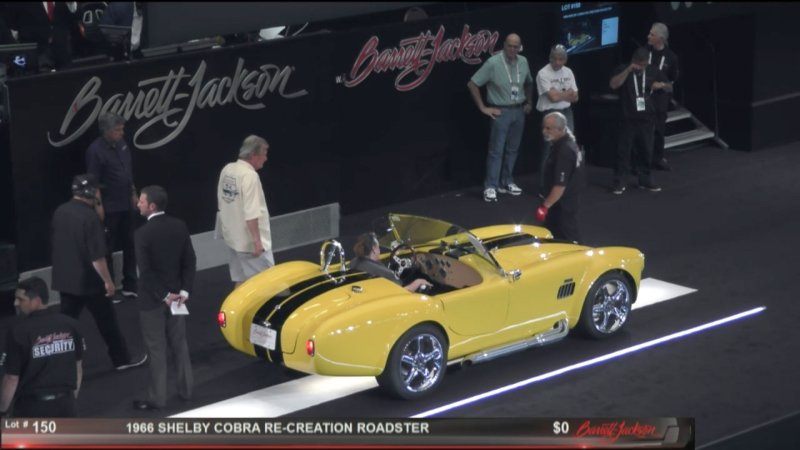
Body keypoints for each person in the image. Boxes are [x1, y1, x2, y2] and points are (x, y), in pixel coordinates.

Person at [51, 174, 147, 371]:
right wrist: (108, 282)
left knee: (65, 324)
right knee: (107, 321)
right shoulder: (89, 217)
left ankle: (55, 363)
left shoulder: (61, 211)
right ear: (92, 192)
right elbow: (97, 257)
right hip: (90, 281)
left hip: (66, 278)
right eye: (97, 191)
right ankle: (121, 359)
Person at [132, 186, 195, 410]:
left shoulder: (142, 234)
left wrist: (164, 295)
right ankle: (186, 390)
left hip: (152, 301)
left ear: (151, 206)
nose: (138, 204)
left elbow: (146, 272)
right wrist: (184, 291)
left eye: (141, 201)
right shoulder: (179, 226)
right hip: (178, 299)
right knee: (180, 344)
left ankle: (157, 398)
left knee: (156, 349)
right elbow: (190, 261)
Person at [0, 277, 85, 418]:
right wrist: (71, 399)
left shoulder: (18, 332)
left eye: (20, 299)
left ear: (36, 301)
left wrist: (2, 410)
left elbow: (11, 378)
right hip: (66, 405)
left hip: (32, 408)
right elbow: (78, 367)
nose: (15, 303)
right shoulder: (71, 325)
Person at [467, 33, 534, 202]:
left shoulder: (523, 61)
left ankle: (507, 181)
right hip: (501, 111)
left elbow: (529, 82)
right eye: (509, 45)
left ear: (520, 47)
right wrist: (483, 107)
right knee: (496, 151)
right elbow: (472, 84)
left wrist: (529, 102)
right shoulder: (493, 63)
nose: (512, 49)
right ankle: (491, 186)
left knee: (513, 149)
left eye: (515, 46)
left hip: (518, 110)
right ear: (504, 45)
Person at [86, 112, 139, 300]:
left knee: (130, 243)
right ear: (106, 131)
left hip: (126, 202)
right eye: (117, 130)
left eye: (122, 129)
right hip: (109, 205)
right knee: (107, 248)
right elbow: (93, 181)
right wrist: (98, 205)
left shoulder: (123, 145)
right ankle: (109, 288)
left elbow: (127, 172)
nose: (121, 133)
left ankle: (130, 285)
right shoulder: (95, 151)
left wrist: (134, 192)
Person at [217, 135, 274, 288]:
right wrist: (257, 242)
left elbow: (222, 202)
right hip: (249, 245)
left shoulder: (227, 169)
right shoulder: (250, 176)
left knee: (241, 281)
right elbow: (251, 212)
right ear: (253, 155)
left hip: (233, 240)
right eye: (264, 154)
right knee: (266, 285)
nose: (266, 158)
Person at [608, 47, 667, 194]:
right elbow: (613, 84)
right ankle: (619, 180)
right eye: (638, 65)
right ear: (633, 61)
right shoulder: (623, 69)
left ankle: (645, 179)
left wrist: (661, 85)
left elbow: (669, 85)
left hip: (647, 119)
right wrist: (628, 70)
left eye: (643, 65)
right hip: (627, 118)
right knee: (623, 151)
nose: (640, 68)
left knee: (646, 150)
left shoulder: (652, 71)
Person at [536, 44, 579, 194]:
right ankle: (545, 188)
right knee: (550, 149)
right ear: (550, 58)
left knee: (568, 147)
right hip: (550, 112)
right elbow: (552, 98)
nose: (558, 62)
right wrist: (566, 93)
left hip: (567, 111)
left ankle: (563, 186)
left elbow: (576, 97)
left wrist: (560, 94)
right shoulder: (543, 73)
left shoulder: (568, 72)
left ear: (565, 60)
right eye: (555, 59)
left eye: (561, 59)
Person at [535, 112, 584, 243]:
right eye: (544, 127)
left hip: (562, 205)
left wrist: (545, 206)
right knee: (550, 235)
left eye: (548, 128)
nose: (544, 131)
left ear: (560, 129)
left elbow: (560, 186)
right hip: (562, 203)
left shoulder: (564, 151)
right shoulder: (567, 143)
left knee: (568, 238)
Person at [4, 2, 79, 70]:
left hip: (63, 50)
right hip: (38, 51)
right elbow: (12, 21)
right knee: (44, 77)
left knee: (68, 77)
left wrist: (71, 4)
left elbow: (76, 18)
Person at [350, 233, 432, 293]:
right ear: (374, 249)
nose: (379, 250)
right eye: (378, 248)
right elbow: (401, 292)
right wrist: (418, 282)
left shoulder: (355, 262)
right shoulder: (384, 273)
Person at [647, 22, 679, 171]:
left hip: (660, 98)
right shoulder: (643, 52)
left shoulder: (671, 57)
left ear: (660, 39)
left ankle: (658, 158)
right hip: (643, 96)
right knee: (641, 128)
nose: (648, 36)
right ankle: (640, 160)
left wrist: (662, 85)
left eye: (652, 34)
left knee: (659, 129)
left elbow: (672, 81)